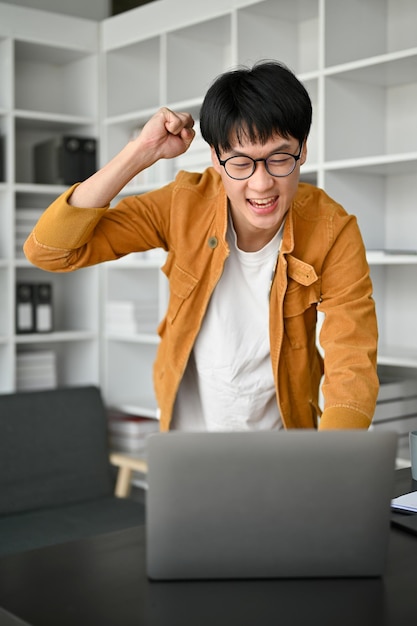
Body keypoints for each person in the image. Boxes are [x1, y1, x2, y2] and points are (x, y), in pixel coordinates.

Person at [24, 60, 379, 432]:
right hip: (188, 445)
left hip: (284, 448)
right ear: (215, 158)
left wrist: (332, 460)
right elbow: (49, 251)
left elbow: (351, 363)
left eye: (279, 158)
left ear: (302, 150)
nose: (261, 185)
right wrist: (140, 152)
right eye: (240, 162)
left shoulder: (332, 229)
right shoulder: (184, 203)